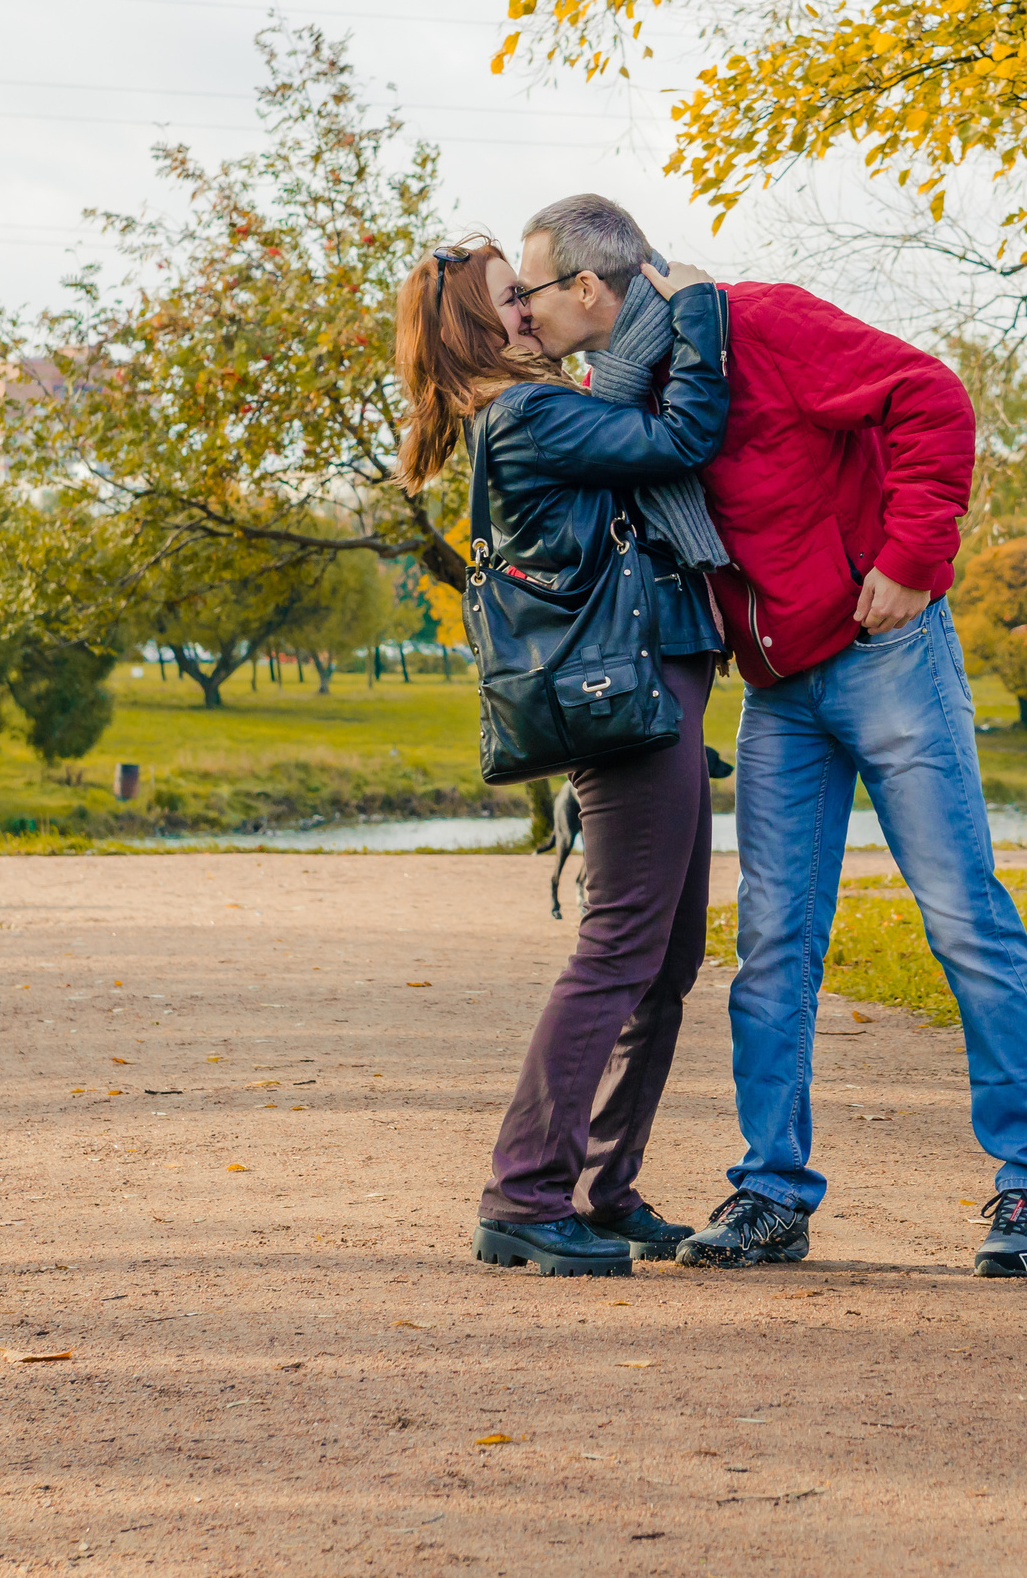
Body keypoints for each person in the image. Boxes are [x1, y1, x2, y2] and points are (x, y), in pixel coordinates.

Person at [514, 194, 1027, 1278]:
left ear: (590, 285)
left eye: (533, 290)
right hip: (778, 687)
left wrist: (913, 554)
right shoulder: (617, 392)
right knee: (773, 945)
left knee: (963, 915)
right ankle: (772, 1190)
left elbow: (931, 397)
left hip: (888, 655)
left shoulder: (761, 323)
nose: (527, 314)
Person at [393, 230, 729, 1277]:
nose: (532, 309)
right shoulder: (531, 412)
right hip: (622, 696)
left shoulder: (546, 405)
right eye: (512, 298)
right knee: (622, 944)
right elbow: (680, 437)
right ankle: (525, 1189)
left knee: (664, 957)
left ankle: (600, 1183)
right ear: (479, 325)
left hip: (652, 680)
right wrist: (703, 312)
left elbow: (630, 418)